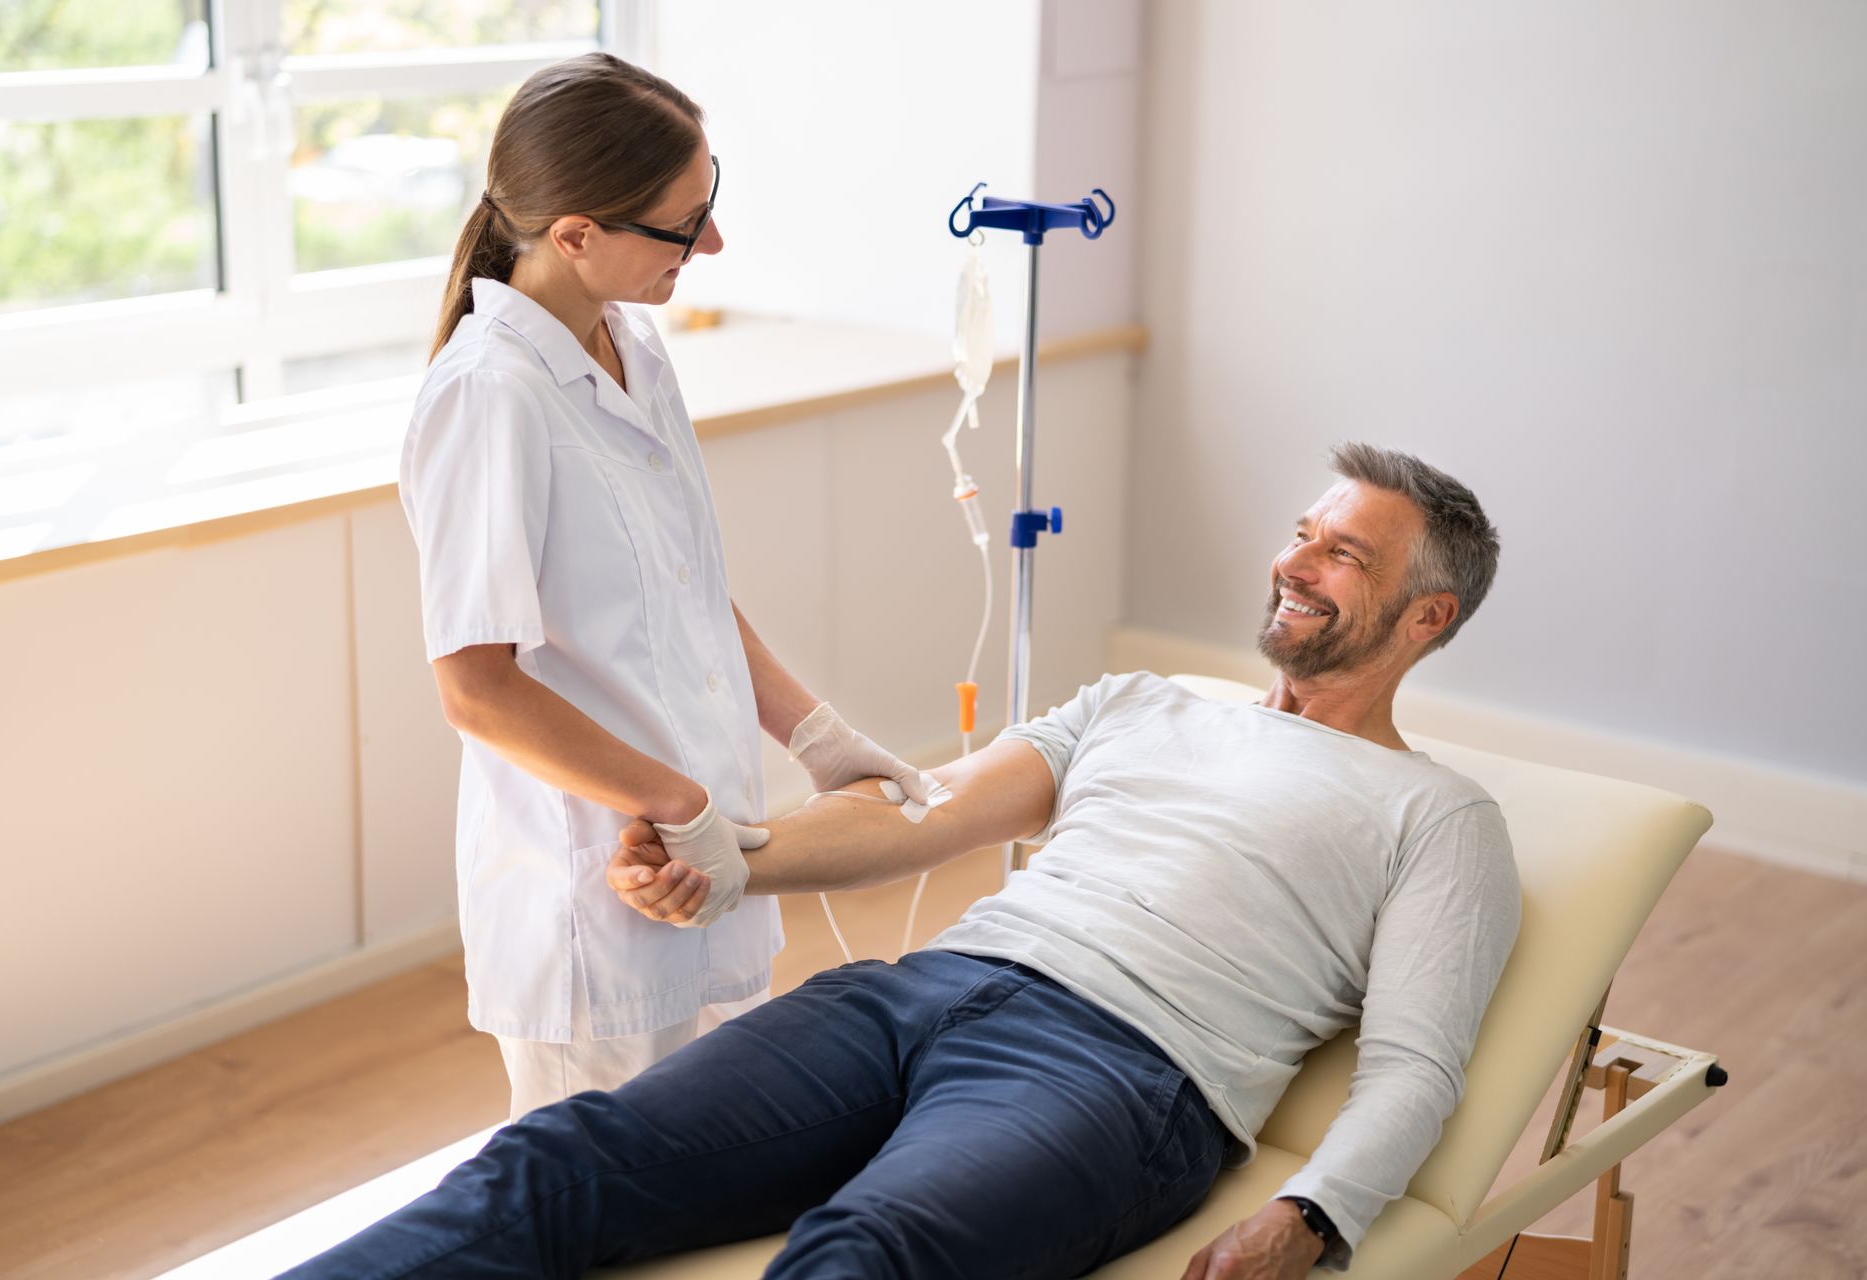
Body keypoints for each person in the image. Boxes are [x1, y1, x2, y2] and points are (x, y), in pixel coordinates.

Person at [286, 445, 1520, 1279]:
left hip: (1128, 1074)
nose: (1294, 564)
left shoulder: (1440, 815)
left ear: (1428, 616)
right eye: (1304, 535)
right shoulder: (1142, 700)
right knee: (555, 1158)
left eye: (1343, 556)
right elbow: (924, 817)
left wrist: (1314, 1215)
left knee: (862, 1255)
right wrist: (728, 856)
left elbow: (1415, 1063)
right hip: (916, 992)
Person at [406, 52, 929, 1121]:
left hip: (705, 859)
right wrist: (674, 803)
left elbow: (689, 592)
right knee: (606, 1204)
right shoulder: (488, 395)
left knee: (718, 1170)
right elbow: (477, 687)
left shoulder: (637, 348)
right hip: (597, 888)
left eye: (710, 202)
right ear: (576, 234)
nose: (715, 244)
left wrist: (816, 733)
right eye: (685, 225)